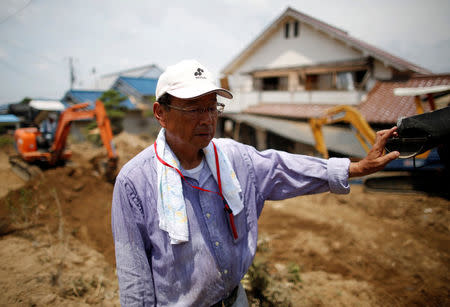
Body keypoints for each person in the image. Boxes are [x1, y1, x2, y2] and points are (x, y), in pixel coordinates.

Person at [111, 59, 399, 307]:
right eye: (194, 109)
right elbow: (135, 281)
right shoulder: (135, 182)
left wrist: (355, 167)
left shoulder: (235, 159)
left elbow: (286, 168)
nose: (207, 119)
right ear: (160, 113)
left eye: (212, 108)